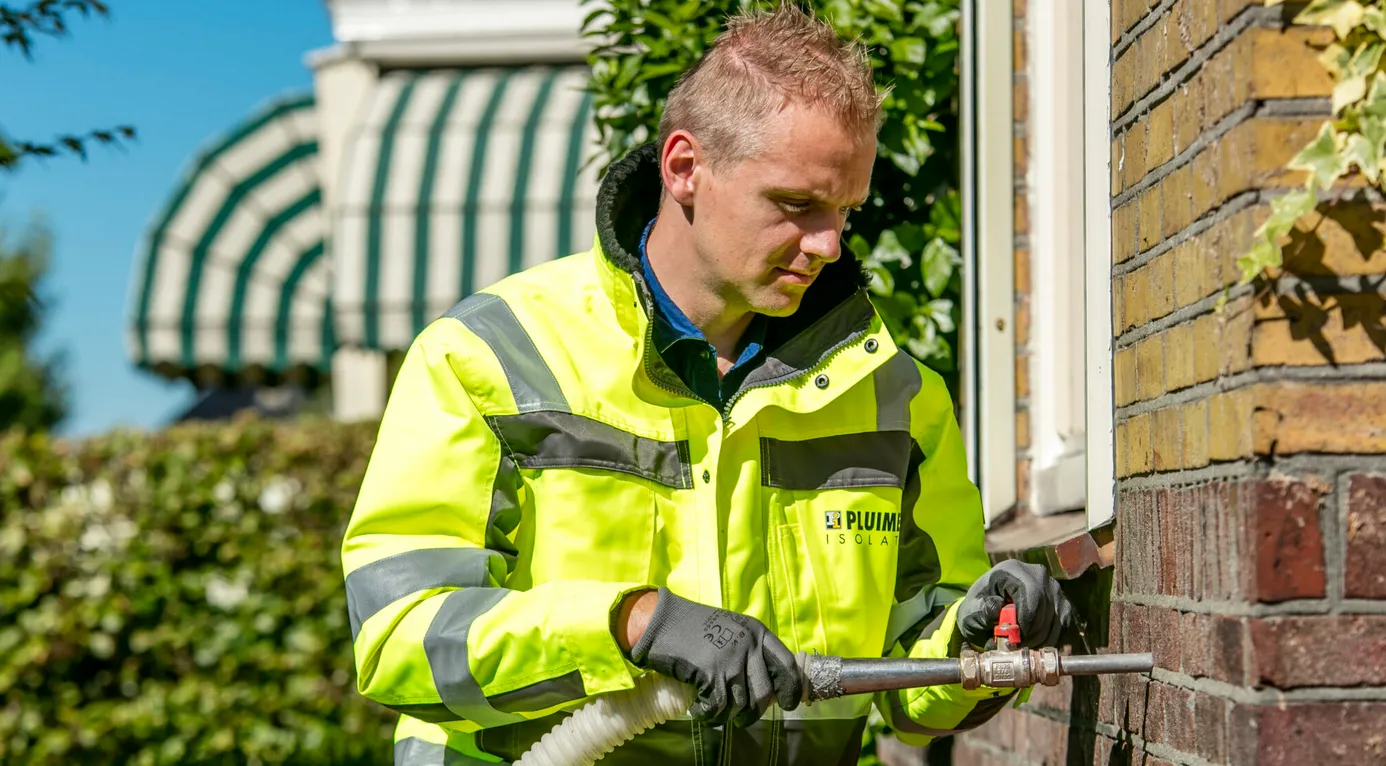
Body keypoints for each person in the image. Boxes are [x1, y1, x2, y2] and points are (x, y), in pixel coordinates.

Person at [340, 5, 1073, 764]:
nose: (828, 244)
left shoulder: (897, 396)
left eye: (844, 212)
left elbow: (916, 688)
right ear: (684, 167)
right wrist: (629, 624)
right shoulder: (489, 359)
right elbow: (399, 638)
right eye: (796, 205)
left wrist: (972, 638)